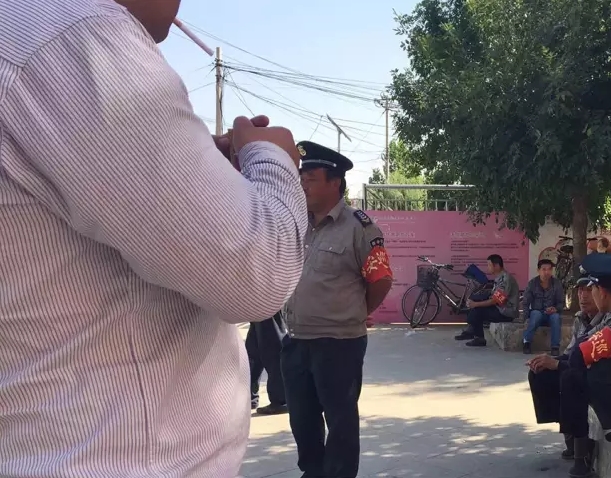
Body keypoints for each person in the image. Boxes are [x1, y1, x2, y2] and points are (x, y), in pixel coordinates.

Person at [0, 0, 308, 476]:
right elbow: (258, 270)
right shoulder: (74, 35)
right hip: (117, 459)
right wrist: (272, 159)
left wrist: (208, 178)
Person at [281, 141, 393, 478]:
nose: (303, 185)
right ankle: (313, 472)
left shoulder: (360, 227)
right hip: (296, 339)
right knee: (302, 419)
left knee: (340, 422)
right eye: (302, 179)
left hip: (339, 343)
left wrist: (356, 312)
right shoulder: (296, 222)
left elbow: (381, 279)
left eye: (311, 179)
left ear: (335, 183)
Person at [527, 277, 602, 472]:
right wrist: (548, 361)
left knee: (570, 379)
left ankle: (582, 455)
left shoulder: (606, 320)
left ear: (601, 292)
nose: (583, 296)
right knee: (539, 372)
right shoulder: (580, 318)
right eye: (580, 290)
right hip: (579, 367)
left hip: (600, 375)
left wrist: (557, 364)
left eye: (589, 290)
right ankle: (569, 437)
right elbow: (570, 354)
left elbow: (590, 363)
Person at [569, 253, 611, 465]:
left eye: (591, 289)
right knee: (581, 369)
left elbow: (589, 348)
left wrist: (575, 356)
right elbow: (589, 337)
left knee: (600, 368)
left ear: (603, 291)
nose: (589, 294)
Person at [455, 254, 520, 347]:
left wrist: (476, 304)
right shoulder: (500, 277)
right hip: (500, 308)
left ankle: (479, 338)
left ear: (496, 266)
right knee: (475, 299)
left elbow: (496, 300)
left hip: (506, 313)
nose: (488, 267)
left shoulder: (505, 279)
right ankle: (471, 330)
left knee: (477, 311)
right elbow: (494, 295)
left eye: (489, 265)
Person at [246, 311, 288, 415]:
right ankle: (248, 396)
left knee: (271, 346)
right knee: (253, 350)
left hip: (265, 305)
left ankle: (281, 399)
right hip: (256, 305)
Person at [522, 259, 565, 355]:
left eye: (549, 269)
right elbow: (525, 302)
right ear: (538, 270)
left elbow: (561, 302)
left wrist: (555, 309)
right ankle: (526, 342)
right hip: (537, 313)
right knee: (535, 314)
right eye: (544, 269)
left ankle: (555, 347)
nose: (547, 272)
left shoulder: (557, 283)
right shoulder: (532, 283)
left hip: (551, 314)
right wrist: (525, 318)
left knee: (556, 317)